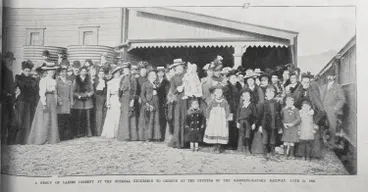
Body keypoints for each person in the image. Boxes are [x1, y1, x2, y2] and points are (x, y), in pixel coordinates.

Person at [292, 73, 326, 159]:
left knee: (312, 138)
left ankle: (312, 154)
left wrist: (314, 119)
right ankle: (300, 154)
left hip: (311, 120)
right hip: (301, 119)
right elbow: (294, 104)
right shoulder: (298, 91)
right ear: (301, 82)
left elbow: (321, 109)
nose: (306, 84)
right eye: (304, 82)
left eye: (308, 82)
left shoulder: (313, 92)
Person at [28, 61, 60, 144]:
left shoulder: (54, 81)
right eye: (50, 71)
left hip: (52, 100)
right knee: (44, 119)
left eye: (53, 70)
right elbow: (42, 93)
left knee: (51, 118)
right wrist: (44, 104)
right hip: (46, 99)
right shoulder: (43, 80)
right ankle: (42, 139)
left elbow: (55, 93)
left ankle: (51, 138)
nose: (52, 72)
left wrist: (56, 102)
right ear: (47, 72)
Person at [253, 86, 282, 157]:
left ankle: (272, 153)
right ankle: (265, 154)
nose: (270, 94)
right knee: (265, 140)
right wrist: (259, 125)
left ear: (274, 94)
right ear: (265, 93)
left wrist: (279, 127)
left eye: (272, 92)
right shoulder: (263, 103)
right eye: (268, 92)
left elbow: (278, 116)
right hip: (265, 125)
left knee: (272, 140)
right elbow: (259, 116)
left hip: (273, 125)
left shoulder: (276, 103)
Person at [14, 60, 38, 144]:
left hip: (30, 102)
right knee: (20, 120)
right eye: (26, 71)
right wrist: (13, 100)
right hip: (21, 101)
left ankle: (27, 139)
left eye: (29, 71)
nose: (27, 72)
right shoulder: (18, 77)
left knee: (29, 120)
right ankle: (18, 140)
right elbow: (13, 88)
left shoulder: (32, 79)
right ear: (22, 70)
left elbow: (35, 91)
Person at [320, 70, 346, 148]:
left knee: (332, 126)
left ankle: (332, 143)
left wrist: (336, 108)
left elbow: (342, 99)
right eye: (328, 76)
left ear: (334, 77)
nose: (329, 77)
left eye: (331, 76)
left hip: (332, 109)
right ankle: (321, 142)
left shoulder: (337, 86)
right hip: (322, 109)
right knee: (320, 125)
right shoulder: (323, 87)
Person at [203, 85, 231, 153]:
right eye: (217, 92)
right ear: (214, 93)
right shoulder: (212, 101)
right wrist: (207, 117)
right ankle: (215, 146)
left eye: (220, 92)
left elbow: (227, 110)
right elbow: (208, 110)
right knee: (214, 130)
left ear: (222, 93)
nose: (219, 94)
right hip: (214, 119)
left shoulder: (224, 102)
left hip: (221, 119)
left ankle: (219, 147)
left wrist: (226, 117)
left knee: (221, 131)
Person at [168, 59, 187, 148]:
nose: (181, 69)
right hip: (179, 101)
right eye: (178, 68)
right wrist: (179, 89)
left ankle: (186, 141)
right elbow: (173, 91)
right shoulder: (173, 78)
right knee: (178, 119)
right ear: (175, 68)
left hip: (187, 99)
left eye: (181, 67)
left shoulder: (186, 76)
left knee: (185, 119)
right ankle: (178, 141)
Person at [117, 62, 138, 141]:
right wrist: (119, 97)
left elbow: (135, 90)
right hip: (123, 98)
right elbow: (120, 89)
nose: (125, 71)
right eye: (124, 69)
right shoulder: (122, 78)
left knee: (130, 115)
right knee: (124, 116)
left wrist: (132, 100)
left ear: (129, 70)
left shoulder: (132, 78)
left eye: (127, 69)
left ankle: (130, 136)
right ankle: (123, 135)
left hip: (129, 97)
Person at [139, 70, 162, 141]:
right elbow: (142, 94)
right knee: (148, 119)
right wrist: (146, 102)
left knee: (156, 118)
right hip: (148, 101)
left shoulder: (157, 84)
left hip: (156, 102)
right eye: (151, 75)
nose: (153, 76)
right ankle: (147, 136)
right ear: (148, 76)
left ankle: (156, 136)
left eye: (154, 75)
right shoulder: (145, 83)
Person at [101, 66, 123, 138]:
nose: (117, 74)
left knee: (119, 115)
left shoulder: (121, 81)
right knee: (111, 115)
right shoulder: (110, 82)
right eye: (116, 73)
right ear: (113, 74)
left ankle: (118, 133)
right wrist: (108, 102)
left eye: (118, 73)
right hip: (113, 98)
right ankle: (111, 133)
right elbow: (108, 93)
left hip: (119, 99)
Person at [72, 66, 94, 138]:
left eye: (85, 71)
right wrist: (78, 96)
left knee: (88, 117)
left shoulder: (89, 80)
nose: (84, 73)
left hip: (87, 100)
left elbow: (92, 90)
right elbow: (73, 91)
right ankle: (78, 133)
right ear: (80, 72)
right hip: (79, 100)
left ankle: (88, 133)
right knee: (79, 117)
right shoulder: (76, 80)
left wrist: (88, 95)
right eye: (82, 71)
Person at [236, 89, 257, 155]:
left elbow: (255, 115)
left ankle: (248, 149)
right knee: (242, 135)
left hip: (248, 122)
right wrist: (237, 122)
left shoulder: (252, 105)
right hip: (241, 122)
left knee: (248, 135)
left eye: (247, 96)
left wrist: (254, 123)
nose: (246, 98)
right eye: (244, 96)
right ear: (242, 97)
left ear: (250, 96)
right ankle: (242, 148)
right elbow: (237, 114)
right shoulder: (240, 105)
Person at [224, 70, 242, 150]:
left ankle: (236, 143)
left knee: (236, 124)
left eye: (235, 78)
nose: (234, 80)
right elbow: (227, 99)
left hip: (238, 107)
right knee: (230, 125)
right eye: (232, 78)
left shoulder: (239, 86)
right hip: (230, 108)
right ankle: (230, 144)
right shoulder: (227, 87)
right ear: (229, 79)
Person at [1, 52, 16, 144]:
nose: (10, 62)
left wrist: (13, 95)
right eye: (8, 60)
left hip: (10, 100)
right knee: (4, 122)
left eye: (11, 60)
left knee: (12, 122)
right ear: (5, 59)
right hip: (3, 100)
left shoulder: (10, 71)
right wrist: (6, 93)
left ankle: (9, 143)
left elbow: (12, 86)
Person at [56, 67, 74, 140]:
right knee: (61, 119)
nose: (64, 73)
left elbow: (71, 93)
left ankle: (67, 136)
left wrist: (72, 102)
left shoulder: (69, 82)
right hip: (60, 103)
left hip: (67, 102)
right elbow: (55, 92)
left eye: (65, 72)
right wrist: (59, 100)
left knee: (67, 119)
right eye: (62, 72)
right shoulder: (56, 81)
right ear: (59, 73)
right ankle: (61, 136)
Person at [156, 66, 170, 140]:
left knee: (162, 118)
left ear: (164, 73)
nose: (160, 74)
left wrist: (166, 100)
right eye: (159, 72)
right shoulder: (155, 80)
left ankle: (162, 136)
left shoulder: (166, 82)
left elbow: (167, 92)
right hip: (155, 101)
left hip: (162, 101)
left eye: (162, 72)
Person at [93, 67, 108, 136]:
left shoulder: (106, 81)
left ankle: (102, 130)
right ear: (98, 74)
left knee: (103, 114)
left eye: (103, 73)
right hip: (97, 99)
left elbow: (107, 91)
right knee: (98, 114)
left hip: (104, 98)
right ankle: (97, 131)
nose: (101, 75)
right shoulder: (95, 81)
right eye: (100, 73)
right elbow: (93, 90)